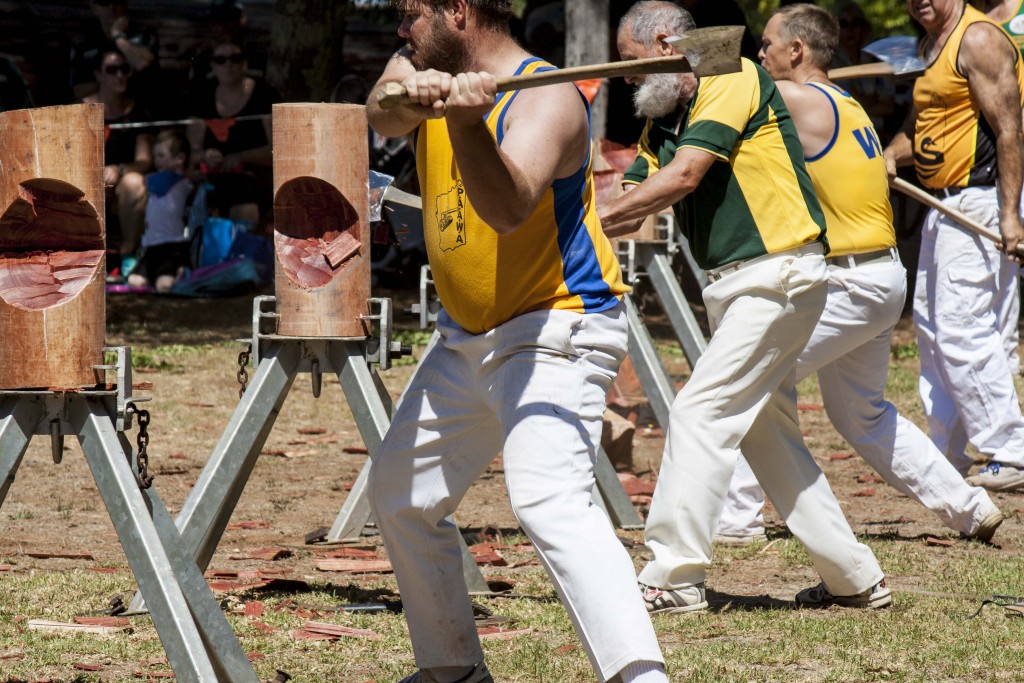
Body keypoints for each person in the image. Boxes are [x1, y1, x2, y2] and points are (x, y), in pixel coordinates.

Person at [364, 2, 667, 682]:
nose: (401, 28)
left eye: (412, 13)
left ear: (459, 12)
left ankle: (642, 675)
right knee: (401, 494)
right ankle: (453, 669)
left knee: (549, 500)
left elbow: (506, 209)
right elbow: (379, 109)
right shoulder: (420, 64)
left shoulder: (548, 96)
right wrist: (408, 91)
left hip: (554, 325)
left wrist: (466, 125)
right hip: (466, 334)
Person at [599, 0, 890, 613]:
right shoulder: (665, 114)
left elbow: (682, 178)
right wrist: (575, 218)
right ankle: (854, 578)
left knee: (699, 413)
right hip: (738, 285)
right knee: (766, 435)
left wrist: (590, 223)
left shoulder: (727, 76)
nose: (624, 77)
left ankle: (674, 577)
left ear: (662, 43)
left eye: (628, 62)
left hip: (778, 274)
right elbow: (635, 191)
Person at [715, 3, 1004, 548]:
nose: (760, 52)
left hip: (847, 283)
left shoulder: (795, 99)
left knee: (750, 377)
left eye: (768, 44)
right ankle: (968, 506)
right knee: (863, 414)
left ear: (796, 51)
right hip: (875, 277)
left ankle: (737, 518)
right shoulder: (845, 102)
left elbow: (727, 97)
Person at [882, 0, 1024, 492]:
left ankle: (1009, 450)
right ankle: (948, 451)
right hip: (942, 206)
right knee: (933, 328)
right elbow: (923, 124)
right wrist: (889, 155)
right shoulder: (930, 44)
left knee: (964, 327)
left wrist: (1009, 214)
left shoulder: (977, 39)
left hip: (979, 199)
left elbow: (1009, 127)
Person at [187, 40, 278, 227]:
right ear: (212, 65)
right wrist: (205, 156)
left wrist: (242, 157)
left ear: (245, 63)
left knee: (243, 199)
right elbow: (191, 152)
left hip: (254, 178)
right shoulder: (203, 97)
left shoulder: (264, 93)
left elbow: (277, 150)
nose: (228, 64)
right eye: (220, 59)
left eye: (235, 59)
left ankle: (242, 253)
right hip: (212, 177)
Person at [82, 44, 153, 278]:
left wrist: (119, 169)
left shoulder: (137, 111)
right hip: (87, 180)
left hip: (121, 184)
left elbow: (144, 160)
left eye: (124, 69)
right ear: (98, 74)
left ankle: (127, 257)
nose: (120, 75)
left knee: (135, 182)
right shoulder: (82, 108)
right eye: (112, 69)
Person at [127, 128, 194, 293]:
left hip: (172, 244)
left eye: (161, 156)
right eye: (155, 156)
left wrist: (125, 171)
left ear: (180, 158)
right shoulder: (162, 178)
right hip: (151, 244)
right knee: (135, 281)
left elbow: (147, 181)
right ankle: (162, 273)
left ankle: (181, 269)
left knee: (164, 285)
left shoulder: (176, 178)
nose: (156, 161)